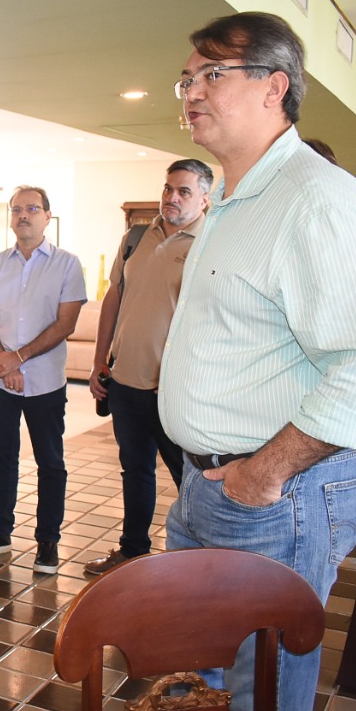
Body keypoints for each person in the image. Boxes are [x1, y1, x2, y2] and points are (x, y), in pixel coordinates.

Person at [159, 12, 356, 711]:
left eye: (213, 74)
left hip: (274, 496)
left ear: (275, 87)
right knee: (194, 680)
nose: (191, 91)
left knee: (262, 704)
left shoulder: (314, 198)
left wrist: (263, 472)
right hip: (207, 481)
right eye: (187, 77)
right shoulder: (234, 199)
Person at [83, 159, 211, 575]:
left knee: (189, 479)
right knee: (135, 471)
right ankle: (133, 551)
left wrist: (185, 376)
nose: (172, 197)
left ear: (204, 198)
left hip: (173, 390)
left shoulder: (211, 242)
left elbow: (213, 319)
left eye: (184, 191)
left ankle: (197, 566)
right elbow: (114, 298)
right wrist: (99, 359)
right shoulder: (136, 237)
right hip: (125, 382)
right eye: (168, 188)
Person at [0, 185, 85, 574]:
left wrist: (18, 358)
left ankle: (48, 542)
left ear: (47, 216)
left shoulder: (67, 264)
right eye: (16, 209)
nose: (23, 215)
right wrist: (5, 366)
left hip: (45, 382)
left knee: (50, 461)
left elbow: (65, 324)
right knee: (1, 457)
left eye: (32, 209)